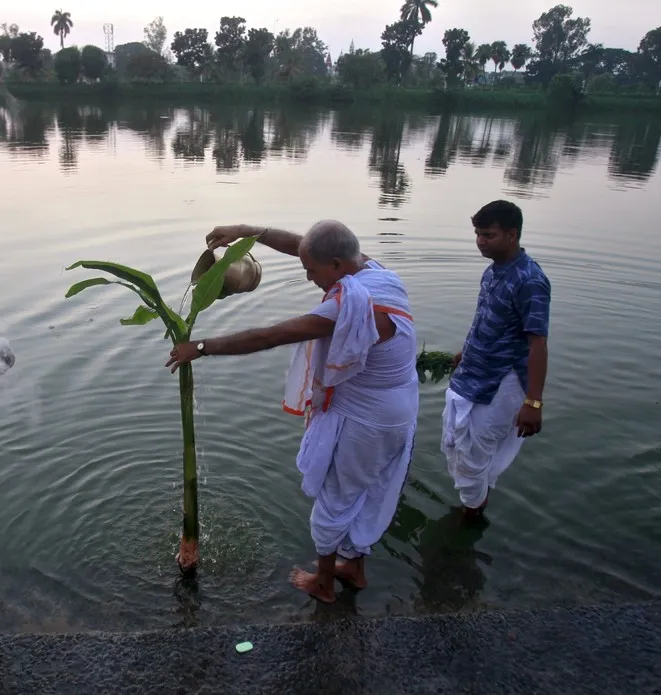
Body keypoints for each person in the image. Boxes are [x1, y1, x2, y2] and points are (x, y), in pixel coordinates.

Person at [167, 221, 419, 603]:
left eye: (312, 271)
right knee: (366, 492)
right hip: (398, 408)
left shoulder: (348, 305)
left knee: (336, 496)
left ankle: (323, 582)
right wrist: (244, 231)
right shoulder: (375, 271)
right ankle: (352, 567)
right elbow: (300, 244)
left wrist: (200, 348)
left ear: (336, 265)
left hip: (367, 419)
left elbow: (273, 335)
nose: (307, 277)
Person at [442, 200, 550, 518]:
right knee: (458, 444)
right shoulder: (493, 271)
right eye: (478, 233)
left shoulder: (530, 281)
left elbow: (538, 344)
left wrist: (534, 402)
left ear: (512, 235)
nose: (480, 241)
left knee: (475, 453)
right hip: (475, 372)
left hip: (503, 381)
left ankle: (472, 512)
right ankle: (474, 500)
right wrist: (468, 350)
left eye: (488, 235)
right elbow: (487, 318)